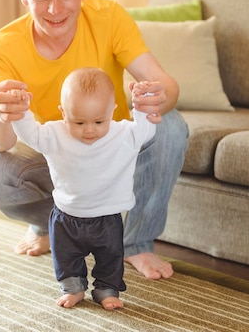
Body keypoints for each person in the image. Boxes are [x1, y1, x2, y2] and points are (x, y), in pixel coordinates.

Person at [0, 0, 188, 283]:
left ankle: (136, 243)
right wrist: (2, 114)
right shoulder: (3, 46)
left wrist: (157, 97)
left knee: (172, 126)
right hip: (55, 154)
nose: (55, 9)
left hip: (113, 147)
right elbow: (0, 142)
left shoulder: (109, 18)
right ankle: (51, 225)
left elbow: (166, 84)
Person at [10, 68, 156, 310]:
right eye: (79, 122)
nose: (90, 130)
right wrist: (21, 112)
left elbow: (146, 131)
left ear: (112, 112)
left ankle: (107, 290)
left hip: (106, 218)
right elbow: (30, 134)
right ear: (64, 114)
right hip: (66, 217)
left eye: (99, 121)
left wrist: (142, 105)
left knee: (111, 258)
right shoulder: (54, 133)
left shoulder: (122, 134)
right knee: (66, 258)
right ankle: (73, 288)